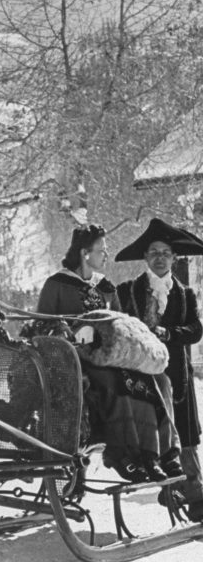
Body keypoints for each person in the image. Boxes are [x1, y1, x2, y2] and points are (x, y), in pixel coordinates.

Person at [36, 223, 180, 483]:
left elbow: (121, 324)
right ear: (84, 253)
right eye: (101, 250)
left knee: (157, 381)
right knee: (117, 383)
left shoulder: (105, 287)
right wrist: (69, 332)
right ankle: (127, 456)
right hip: (77, 361)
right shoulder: (57, 285)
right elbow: (40, 328)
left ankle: (159, 454)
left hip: (111, 358)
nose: (105, 254)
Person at [115, 218, 203, 522]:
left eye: (165, 252)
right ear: (145, 258)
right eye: (154, 252)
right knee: (156, 437)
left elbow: (195, 330)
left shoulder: (185, 294)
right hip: (143, 378)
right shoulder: (128, 291)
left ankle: (197, 500)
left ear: (174, 258)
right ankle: (169, 490)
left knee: (186, 440)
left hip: (178, 376)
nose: (160, 257)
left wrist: (170, 334)